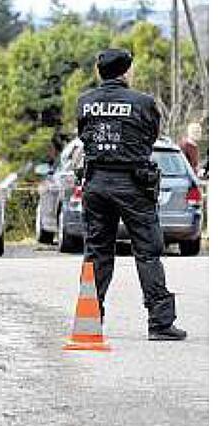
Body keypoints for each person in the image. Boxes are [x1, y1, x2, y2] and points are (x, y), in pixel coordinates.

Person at [76, 48, 187, 341]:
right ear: (126, 72)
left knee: (96, 252)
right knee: (148, 252)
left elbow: (83, 135)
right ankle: (161, 323)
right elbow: (149, 137)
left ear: (100, 72)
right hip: (133, 184)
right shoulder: (144, 103)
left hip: (96, 182)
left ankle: (89, 322)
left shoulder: (85, 102)